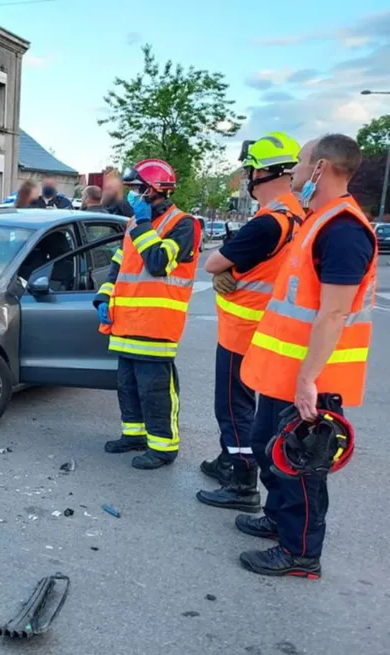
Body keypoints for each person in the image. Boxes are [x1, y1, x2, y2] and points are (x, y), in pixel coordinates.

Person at [238, 134, 375, 578]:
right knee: (270, 449)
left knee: (301, 466)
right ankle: (279, 521)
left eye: (299, 163)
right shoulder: (320, 220)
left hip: (311, 379)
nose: (294, 172)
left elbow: (335, 312)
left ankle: (300, 553)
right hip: (284, 373)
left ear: (321, 168)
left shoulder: (344, 230)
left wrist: (308, 380)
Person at [196, 133, 305, 512]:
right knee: (248, 407)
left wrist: (220, 271)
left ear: (260, 172)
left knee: (233, 406)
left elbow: (212, 263)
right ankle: (231, 459)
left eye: (250, 169)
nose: (248, 176)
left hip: (242, 332)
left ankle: (242, 480)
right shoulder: (296, 216)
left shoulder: (267, 223)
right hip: (270, 328)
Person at [92, 159, 202, 469]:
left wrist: (142, 226)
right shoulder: (134, 225)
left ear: (155, 191)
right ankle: (134, 436)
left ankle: (163, 447)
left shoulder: (184, 224)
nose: (132, 196)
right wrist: (103, 297)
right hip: (126, 323)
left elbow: (157, 262)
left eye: (138, 190)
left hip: (156, 326)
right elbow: (119, 267)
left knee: (155, 391)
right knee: (127, 386)